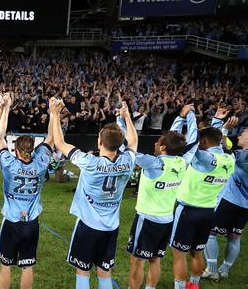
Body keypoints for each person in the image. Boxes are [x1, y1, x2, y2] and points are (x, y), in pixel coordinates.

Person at [49, 97, 138, 289]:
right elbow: (133, 141)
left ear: (99, 142)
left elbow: (60, 142)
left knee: (83, 271)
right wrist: (127, 117)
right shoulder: (128, 161)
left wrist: (55, 114)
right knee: (104, 271)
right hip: (111, 227)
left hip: (88, 226)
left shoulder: (91, 162)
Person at [123, 105, 193, 289]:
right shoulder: (182, 161)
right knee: (155, 259)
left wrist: (123, 120)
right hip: (166, 219)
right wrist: (183, 117)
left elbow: (128, 149)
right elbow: (179, 141)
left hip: (146, 219)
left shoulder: (154, 163)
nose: (154, 144)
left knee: (137, 260)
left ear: (162, 147)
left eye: (157, 142)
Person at [0, 93, 53, 289]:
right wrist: (54, 114)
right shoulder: (42, 163)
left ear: (16, 150)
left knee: (6, 265)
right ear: (32, 149)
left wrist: (5, 108)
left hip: (11, 221)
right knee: (27, 267)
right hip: (32, 222)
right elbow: (51, 138)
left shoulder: (9, 164)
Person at [170, 107, 236, 289]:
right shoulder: (229, 159)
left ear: (204, 142)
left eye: (201, 140)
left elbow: (188, 143)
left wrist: (188, 116)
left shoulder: (203, 157)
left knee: (179, 253)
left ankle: (180, 287)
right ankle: (195, 284)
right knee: (197, 252)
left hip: (187, 211)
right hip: (208, 212)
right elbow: (220, 144)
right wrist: (217, 122)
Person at [203, 114, 248, 281]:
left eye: (245, 133)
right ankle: (225, 270)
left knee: (210, 233)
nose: (241, 134)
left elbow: (225, 154)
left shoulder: (244, 155)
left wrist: (223, 130)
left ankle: (211, 269)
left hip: (230, 201)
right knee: (234, 236)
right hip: (245, 206)